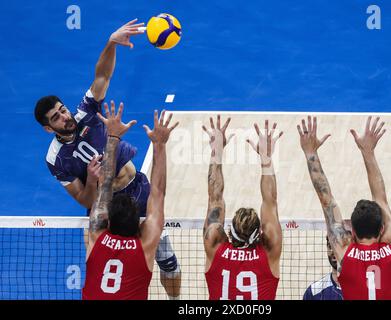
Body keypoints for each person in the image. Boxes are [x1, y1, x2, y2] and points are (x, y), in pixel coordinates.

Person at [34, 20, 181, 298]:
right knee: (107, 265)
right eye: (56, 117)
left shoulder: (85, 113)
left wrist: (111, 42)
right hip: (106, 207)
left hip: (137, 189)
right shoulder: (56, 160)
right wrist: (91, 179)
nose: (64, 117)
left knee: (167, 260)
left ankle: (174, 297)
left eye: (63, 110)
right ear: (48, 128)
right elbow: (86, 201)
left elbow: (102, 77)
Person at [298, 115, 391, 300]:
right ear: (381, 229)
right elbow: (381, 200)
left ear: (353, 232)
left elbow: (327, 201)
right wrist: (368, 152)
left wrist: (310, 153)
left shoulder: (345, 254)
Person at [82, 101, 178, 299]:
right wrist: (159, 144)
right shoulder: (144, 247)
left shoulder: (97, 237)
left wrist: (113, 136)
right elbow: (158, 191)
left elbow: (105, 184)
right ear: (139, 225)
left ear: (108, 222)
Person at [203, 116, 283, 300]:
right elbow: (270, 202)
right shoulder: (269, 251)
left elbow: (215, 198)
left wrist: (216, 152)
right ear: (260, 232)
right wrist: (266, 160)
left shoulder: (215, 247)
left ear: (230, 231)